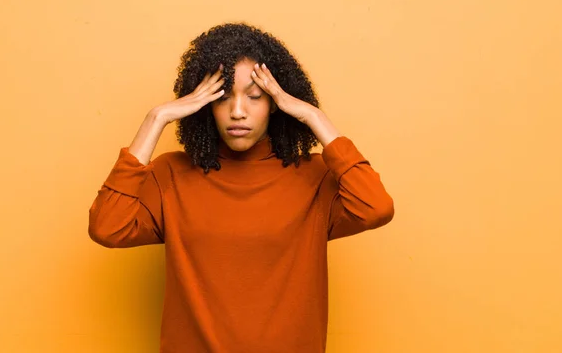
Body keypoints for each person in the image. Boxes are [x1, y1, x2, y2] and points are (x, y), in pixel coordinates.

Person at [88, 22, 394, 353]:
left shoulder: (314, 177)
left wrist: (313, 117)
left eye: (255, 97)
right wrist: (156, 118)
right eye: (223, 98)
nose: (238, 112)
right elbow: (107, 227)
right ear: (203, 103)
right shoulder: (171, 174)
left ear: (276, 103)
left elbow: (375, 207)